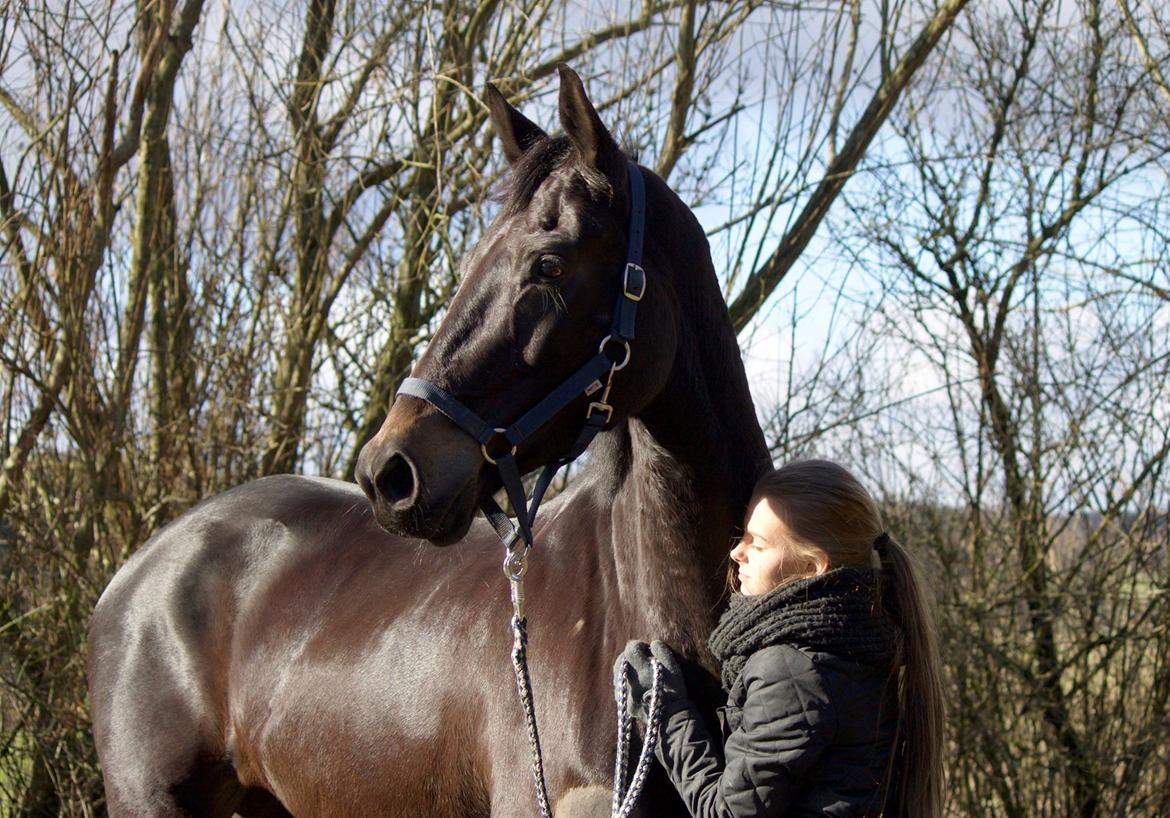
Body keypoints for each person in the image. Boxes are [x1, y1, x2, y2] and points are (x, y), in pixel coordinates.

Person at [617, 459, 944, 817]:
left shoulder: (794, 671)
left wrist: (660, 706)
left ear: (811, 567)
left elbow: (726, 813)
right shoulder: (859, 644)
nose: (735, 553)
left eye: (756, 544)